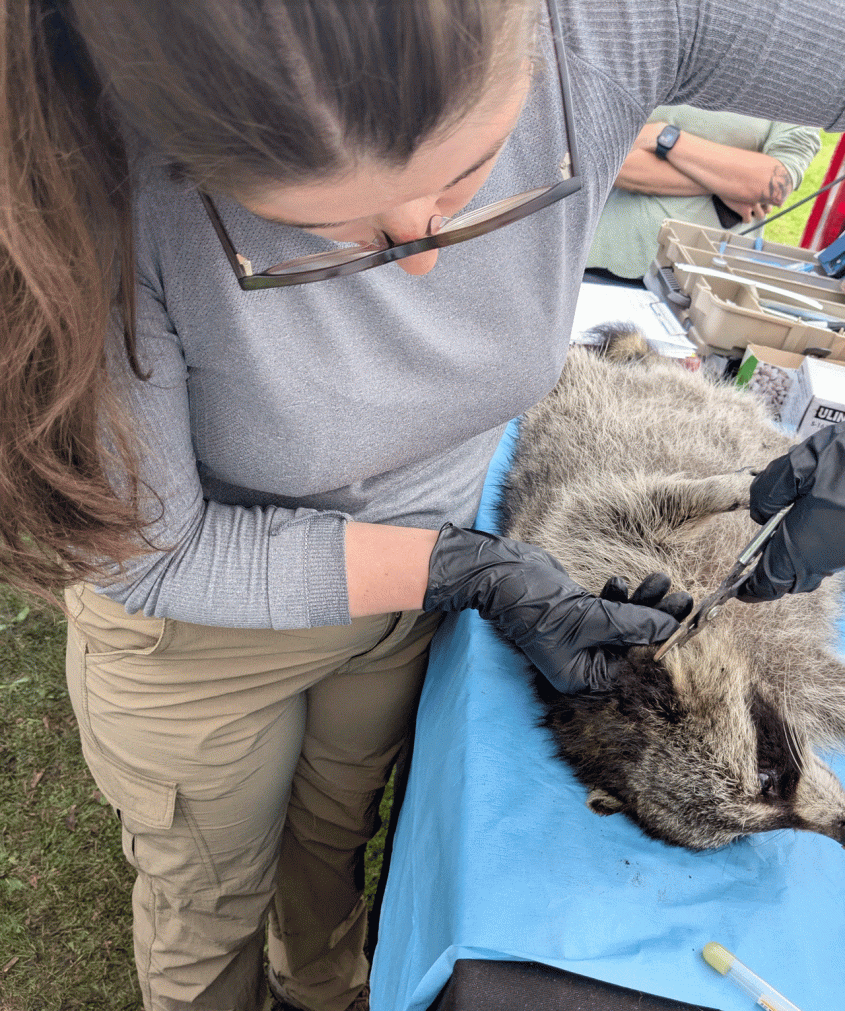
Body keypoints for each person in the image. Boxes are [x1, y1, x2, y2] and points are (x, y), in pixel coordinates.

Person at [2, 3, 845, 1010]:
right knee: (205, 894)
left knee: (335, 831)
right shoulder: (88, 190)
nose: (421, 258)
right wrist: (467, 570)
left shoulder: (607, 25)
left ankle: (318, 986)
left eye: (471, 177)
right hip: (201, 631)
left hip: (398, 605)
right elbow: (153, 552)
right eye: (321, 234)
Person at [586, 106, 821, 282]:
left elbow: (773, 184)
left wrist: (664, 136)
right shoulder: (656, 46)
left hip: (705, 289)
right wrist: (732, 181)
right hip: (599, 261)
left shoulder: (796, 80)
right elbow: (602, 159)